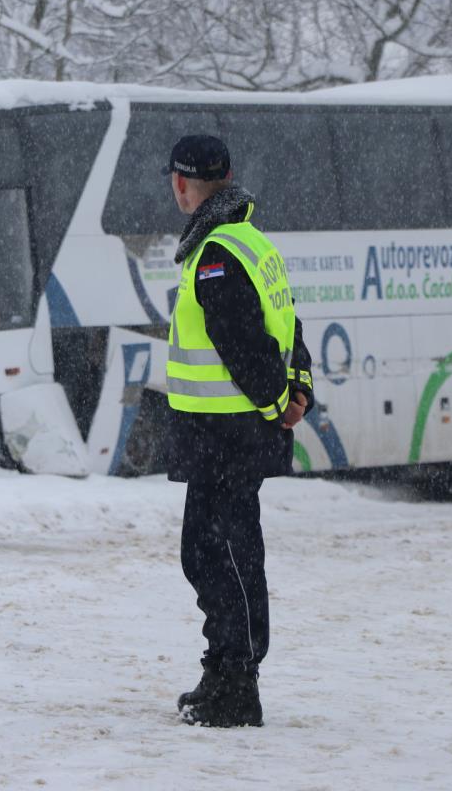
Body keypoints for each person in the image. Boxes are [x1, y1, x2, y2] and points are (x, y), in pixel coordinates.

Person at [163, 135, 314, 727]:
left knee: (223, 554)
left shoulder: (218, 252)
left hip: (228, 432)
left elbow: (245, 343)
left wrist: (279, 399)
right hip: (223, 432)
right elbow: (291, 323)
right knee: (208, 553)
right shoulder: (249, 241)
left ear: (180, 184)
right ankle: (224, 667)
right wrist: (298, 386)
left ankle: (238, 683)